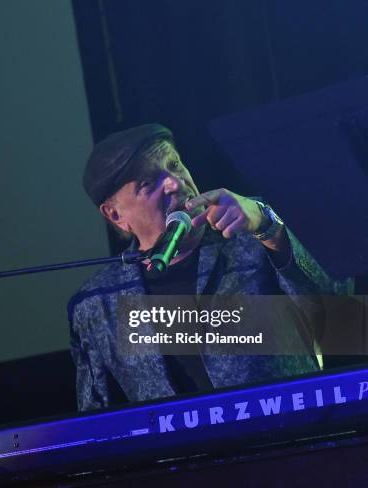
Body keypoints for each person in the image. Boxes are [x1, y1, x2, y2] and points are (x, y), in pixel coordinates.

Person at [68, 123, 341, 412]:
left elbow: (337, 307)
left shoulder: (255, 233)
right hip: (185, 456)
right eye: (148, 183)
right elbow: (97, 419)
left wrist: (267, 226)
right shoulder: (97, 304)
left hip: (293, 441)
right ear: (115, 214)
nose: (174, 182)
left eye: (174, 164)